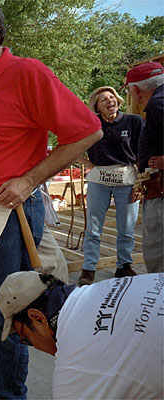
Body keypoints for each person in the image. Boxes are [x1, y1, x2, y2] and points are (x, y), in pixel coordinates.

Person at [0, 2, 102, 398]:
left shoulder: (27, 73)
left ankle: (10, 393)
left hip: (10, 217)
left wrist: (29, 180)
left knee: (7, 308)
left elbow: (87, 131)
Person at [0, 271, 164, 399]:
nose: (31, 344)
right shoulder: (106, 287)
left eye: (25, 337)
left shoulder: (73, 375)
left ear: (37, 318)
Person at [76, 86, 144, 285]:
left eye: (112, 97)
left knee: (126, 228)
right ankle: (88, 268)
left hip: (126, 181)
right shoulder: (91, 125)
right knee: (93, 229)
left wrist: (139, 184)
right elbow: (70, 144)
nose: (109, 101)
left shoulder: (133, 121)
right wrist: (87, 164)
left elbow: (143, 152)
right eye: (103, 99)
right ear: (96, 106)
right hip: (99, 182)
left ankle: (124, 266)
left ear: (118, 100)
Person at [127, 62, 164, 273]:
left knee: (159, 255)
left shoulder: (158, 104)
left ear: (137, 90)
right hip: (156, 190)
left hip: (161, 192)